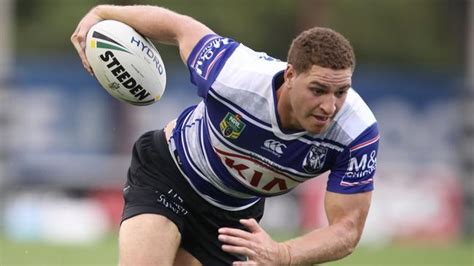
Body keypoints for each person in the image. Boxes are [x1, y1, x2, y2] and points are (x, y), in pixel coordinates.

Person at [71, 4, 379, 266]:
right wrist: (102, 12)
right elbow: (181, 27)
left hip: (232, 217)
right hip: (171, 175)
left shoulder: (355, 133)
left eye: (341, 92)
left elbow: (347, 229)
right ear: (290, 76)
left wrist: (283, 254)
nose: (330, 105)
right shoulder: (233, 74)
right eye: (318, 90)